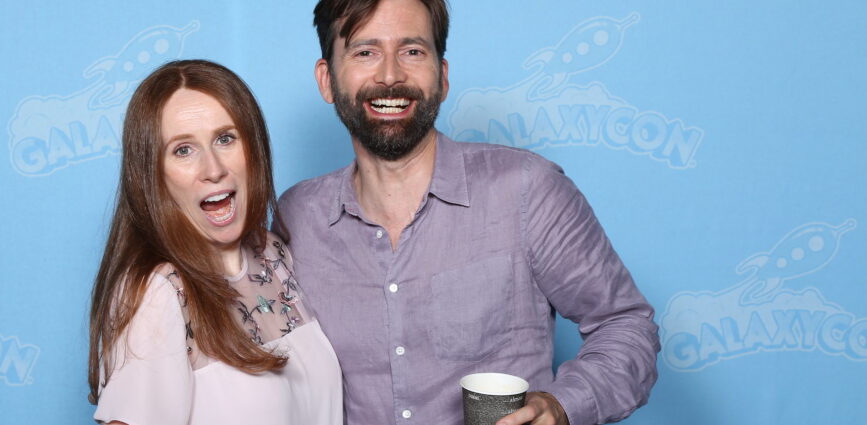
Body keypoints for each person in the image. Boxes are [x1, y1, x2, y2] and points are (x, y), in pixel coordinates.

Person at [274, 1, 660, 425]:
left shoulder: (528, 189)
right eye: (365, 52)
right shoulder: (298, 218)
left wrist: (563, 406)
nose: (389, 75)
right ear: (327, 80)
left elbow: (625, 326)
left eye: (412, 51)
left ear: (442, 76)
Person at [87, 60, 343, 425]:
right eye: (183, 150)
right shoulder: (159, 293)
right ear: (153, 176)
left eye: (225, 139)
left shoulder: (273, 254)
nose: (213, 169)